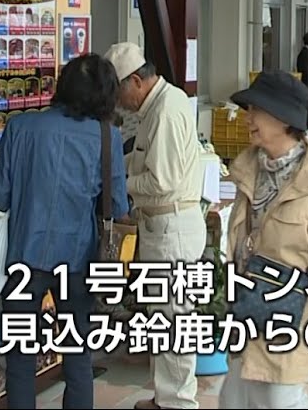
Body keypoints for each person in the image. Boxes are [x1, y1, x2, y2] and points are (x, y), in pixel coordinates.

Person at [0, 53, 128, 410]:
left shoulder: (20, 127)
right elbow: (117, 207)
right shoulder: (107, 136)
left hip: (24, 257)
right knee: (78, 354)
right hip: (79, 259)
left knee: (20, 358)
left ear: (61, 86)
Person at [220, 71, 308, 408]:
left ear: (283, 119)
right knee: (234, 400)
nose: (248, 118)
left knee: (278, 401)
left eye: (256, 110)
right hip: (247, 311)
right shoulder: (248, 169)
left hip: (289, 317)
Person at [105, 43, 206, 410]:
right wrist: (116, 161)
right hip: (164, 226)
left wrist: (117, 183)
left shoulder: (163, 110)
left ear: (135, 81)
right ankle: (166, 396)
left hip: (171, 228)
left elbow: (160, 182)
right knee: (162, 316)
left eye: (119, 92)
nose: (118, 102)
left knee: (174, 317)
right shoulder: (161, 102)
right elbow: (143, 157)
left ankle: (178, 403)